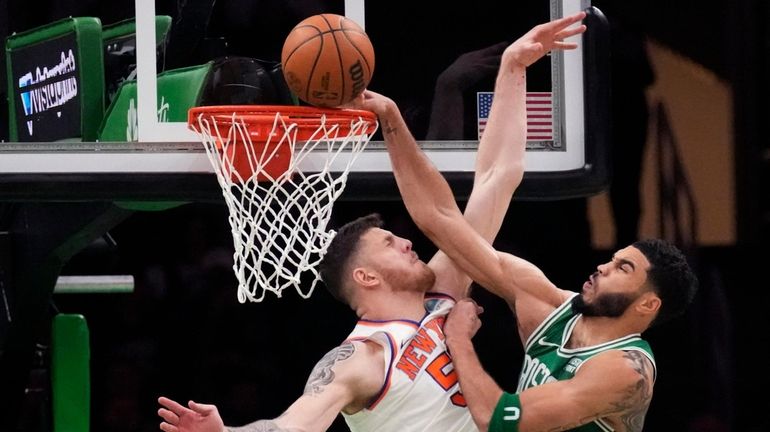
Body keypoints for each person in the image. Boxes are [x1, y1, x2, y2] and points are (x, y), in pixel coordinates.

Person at [156, 12, 588, 432]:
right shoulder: (361, 358)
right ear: (365, 276)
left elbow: (498, 177)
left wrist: (512, 67)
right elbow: (295, 425)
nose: (406, 241)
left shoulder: (440, 296)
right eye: (389, 243)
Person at [357, 34, 699, 432]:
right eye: (613, 257)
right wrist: (510, 70)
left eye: (623, 268)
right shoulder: (548, 306)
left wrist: (459, 340)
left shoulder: (626, 372)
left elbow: (498, 419)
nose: (603, 266)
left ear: (647, 305)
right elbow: (442, 219)